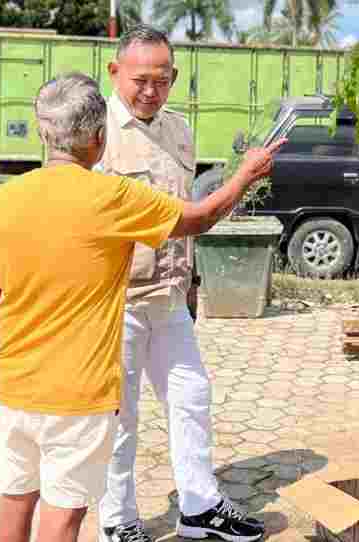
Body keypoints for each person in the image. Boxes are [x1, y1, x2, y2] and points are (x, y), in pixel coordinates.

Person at [0, 72, 282, 542]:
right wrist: (245, 175)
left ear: (42, 132)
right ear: (99, 137)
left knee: (15, 499)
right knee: (62, 514)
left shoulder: (1, 202)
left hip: (14, 388)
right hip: (78, 396)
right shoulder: (113, 198)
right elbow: (200, 218)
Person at [92, 25, 266, 542]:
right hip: (117, 301)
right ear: (115, 72)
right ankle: (118, 521)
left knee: (192, 397)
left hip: (169, 297)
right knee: (119, 418)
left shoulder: (180, 130)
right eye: (141, 80)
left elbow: (184, 211)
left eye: (162, 80)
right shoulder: (95, 133)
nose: (151, 91)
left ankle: (199, 507)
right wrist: (242, 178)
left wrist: (189, 286)